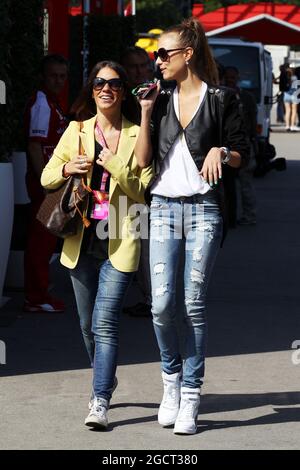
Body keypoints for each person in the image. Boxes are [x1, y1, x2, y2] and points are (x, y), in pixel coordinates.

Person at [136, 17, 249, 435]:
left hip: (204, 209)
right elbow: (144, 161)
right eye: (155, 54)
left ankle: (191, 395)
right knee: (162, 305)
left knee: (193, 304)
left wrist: (222, 150)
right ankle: (171, 380)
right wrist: (146, 111)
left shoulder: (222, 99)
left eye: (163, 53)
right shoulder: (159, 98)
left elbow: (243, 154)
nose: (157, 60)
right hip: (163, 208)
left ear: (187, 54)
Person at [41, 61, 153, 430]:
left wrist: (115, 164)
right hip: (81, 239)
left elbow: (142, 191)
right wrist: (67, 169)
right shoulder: (76, 130)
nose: (106, 89)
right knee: (88, 325)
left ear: (123, 91)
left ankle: (100, 398)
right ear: (91, 90)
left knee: (106, 324)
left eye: (115, 84)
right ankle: (105, 378)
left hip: (121, 240)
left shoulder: (139, 133)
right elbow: (45, 179)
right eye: (99, 83)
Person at [23, 54, 68, 313]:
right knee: (41, 241)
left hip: (51, 183)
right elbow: (34, 145)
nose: (58, 81)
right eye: (53, 75)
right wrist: (45, 184)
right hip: (45, 185)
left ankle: (39, 292)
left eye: (62, 76)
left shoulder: (52, 102)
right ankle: (36, 297)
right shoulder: (41, 104)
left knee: (46, 240)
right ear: (43, 76)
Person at [120, 46, 154, 317]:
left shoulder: (158, 96)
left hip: (150, 184)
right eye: (134, 67)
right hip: (121, 181)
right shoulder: (119, 99)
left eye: (144, 65)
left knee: (145, 245)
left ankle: (153, 299)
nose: (140, 71)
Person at [223, 66, 257, 225]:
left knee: (245, 183)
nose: (230, 80)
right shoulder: (219, 95)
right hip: (225, 146)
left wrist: (250, 140)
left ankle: (249, 215)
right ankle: (231, 217)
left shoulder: (246, 97)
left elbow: (252, 121)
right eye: (227, 78)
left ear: (237, 78)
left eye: (233, 78)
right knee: (228, 184)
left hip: (243, 145)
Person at [283, 67, 300, 132]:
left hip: (286, 95)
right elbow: (297, 87)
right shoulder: (295, 78)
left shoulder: (285, 78)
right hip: (294, 95)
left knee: (287, 111)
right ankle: (292, 126)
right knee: (294, 111)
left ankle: (287, 126)